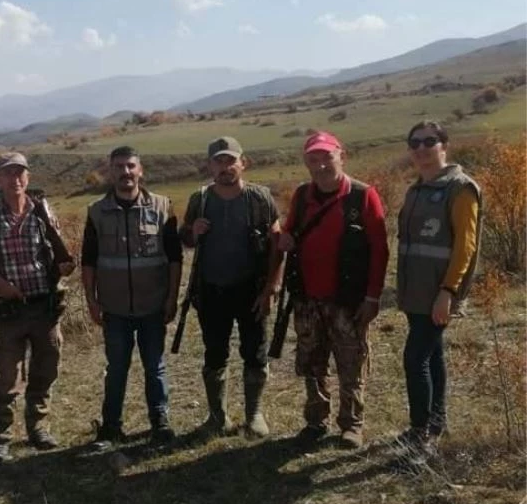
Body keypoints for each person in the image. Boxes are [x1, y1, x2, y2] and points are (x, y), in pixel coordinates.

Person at [277, 131, 389, 449]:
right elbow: (289, 233)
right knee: (312, 363)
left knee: (351, 362)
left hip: (348, 300)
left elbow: (379, 250)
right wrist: (284, 240)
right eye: (313, 159)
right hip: (307, 298)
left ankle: (352, 424)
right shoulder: (302, 196)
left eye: (327, 157)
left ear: (342, 156)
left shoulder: (363, 195)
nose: (321, 165)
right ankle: (316, 421)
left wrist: (372, 297)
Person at [0, 152, 75, 459]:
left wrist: (63, 266)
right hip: (10, 310)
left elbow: (58, 250)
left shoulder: (42, 211)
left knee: (45, 371)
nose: (15, 179)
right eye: (8, 173)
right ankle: (0, 438)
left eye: (20, 173)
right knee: (7, 378)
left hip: (45, 307)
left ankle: (38, 428)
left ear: (27, 177)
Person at [179, 137, 282, 438]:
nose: (225, 167)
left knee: (255, 352)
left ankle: (254, 414)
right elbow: (185, 240)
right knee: (214, 354)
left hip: (252, 290)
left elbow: (277, 245)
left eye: (230, 160)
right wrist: (193, 231)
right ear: (210, 166)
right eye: (218, 161)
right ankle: (217, 417)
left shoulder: (260, 198)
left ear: (243, 163)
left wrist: (271, 288)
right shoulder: (200, 199)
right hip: (211, 291)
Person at [82, 146, 182, 450]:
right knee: (116, 369)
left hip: (153, 305)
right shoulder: (96, 212)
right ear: (110, 172)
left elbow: (175, 258)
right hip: (114, 309)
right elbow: (88, 261)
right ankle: (111, 427)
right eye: (119, 167)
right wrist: (91, 301)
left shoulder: (162, 207)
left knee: (155, 367)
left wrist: (172, 297)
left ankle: (160, 424)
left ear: (140, 170)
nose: (125, 172)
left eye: (130, 166)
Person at [395, 120, 482, 464]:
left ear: (444, 145)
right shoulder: (417, 190)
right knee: (432, 355)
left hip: (438, 291)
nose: (421, 148)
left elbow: (466, 246)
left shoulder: (460, 189)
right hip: (415, 290)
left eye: (429, 141)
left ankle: (421, 438)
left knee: (415, 359)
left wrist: (448, 291)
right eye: (414, 142)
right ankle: (435, 422)